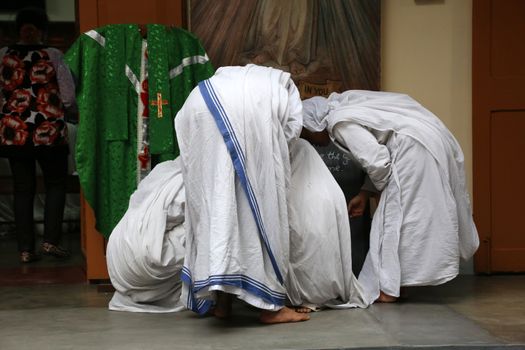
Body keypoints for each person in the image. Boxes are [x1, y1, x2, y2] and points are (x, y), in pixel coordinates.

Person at [301, 91, 480, 304]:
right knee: (410, 217)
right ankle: (398, 284)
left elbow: (377, 161)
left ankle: (387, 289)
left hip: (413, 150)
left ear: (314, 124)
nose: (311, 142)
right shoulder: (343, 110)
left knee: (392, 219)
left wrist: (385, 192)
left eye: (306, 134)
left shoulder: (339, 122)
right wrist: (366, 193)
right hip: (427, 143)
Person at [175, 64, 309, 323]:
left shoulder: (224, 81)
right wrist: (270, 163)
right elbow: (290, 132)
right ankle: (271, 308)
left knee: (217, 205)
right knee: (257, 211)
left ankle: (222, 303)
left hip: (198, 105)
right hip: (243, 112)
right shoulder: (283, 86)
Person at [0, 7, 77, 263]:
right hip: (49, 133)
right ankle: (50, 242)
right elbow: (67, 96)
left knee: (23, 189)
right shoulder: (53, 55)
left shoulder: (3, 56)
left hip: (15, 133)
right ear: (42, 30)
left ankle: (25, 249)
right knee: (56, 184)